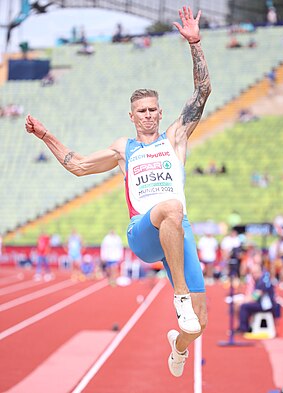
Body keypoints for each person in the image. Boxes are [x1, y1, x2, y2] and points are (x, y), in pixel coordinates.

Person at [25, 6, 211, 378]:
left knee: (199, 325)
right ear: (132, 115)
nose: (148, 115)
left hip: (179, 229)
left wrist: (195, 44)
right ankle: (179, 297)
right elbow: (76, 165)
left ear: (160, 113)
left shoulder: (175, 138)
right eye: (141, 110)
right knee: (169, 205)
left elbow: (203, 90)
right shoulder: (122, 149)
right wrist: (46, 136)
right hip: (143, 230)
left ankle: (178, 345)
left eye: (153, 109)